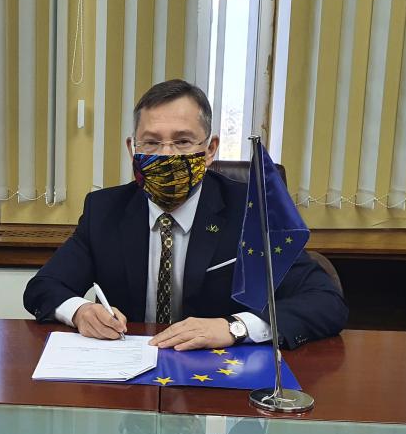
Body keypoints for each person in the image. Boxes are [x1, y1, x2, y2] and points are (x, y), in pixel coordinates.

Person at [23, 79, 347, 350]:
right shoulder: (105, 210)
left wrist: (235, 328)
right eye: (151, 143)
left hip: (220, 376)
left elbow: (325, 302)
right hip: (130, 372)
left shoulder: (250, 210)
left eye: (182, 142)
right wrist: (79, 310)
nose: (167, 156)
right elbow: (44, 286)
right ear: (131, 149)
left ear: (209, 150)